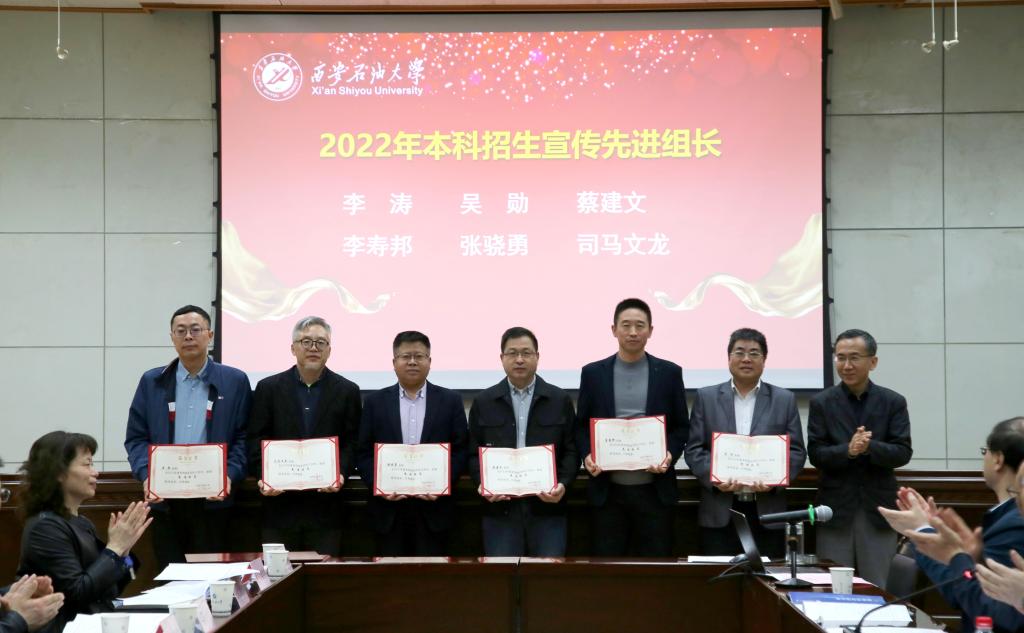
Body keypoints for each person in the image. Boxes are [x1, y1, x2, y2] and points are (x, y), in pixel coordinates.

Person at [124, 305, 252, 567]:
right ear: (172, 337)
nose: (188, 336)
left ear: (210, 335)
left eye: (196, 329)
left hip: (214, 502)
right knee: (170, 576)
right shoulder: (152, 381)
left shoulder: (235, 381)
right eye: (180, 331)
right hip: (165, 502)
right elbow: (136, 438)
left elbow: (244, 438)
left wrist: (229, 475)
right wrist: (147, 475)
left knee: (210, 579)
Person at [883, 418, 1024, 633]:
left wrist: (925, 534)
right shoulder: (1005, 517)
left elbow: (982, 603)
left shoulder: (1013, 524)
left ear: (998, 459)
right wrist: (967, 556)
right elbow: (972, 586)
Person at [576, 297, 688, 557]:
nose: (633, 332)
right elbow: (580, 426)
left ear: (651, 330)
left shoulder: (670, 373)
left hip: (655, 492)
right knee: (607, 568)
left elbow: (682, 427)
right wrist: (587, 455)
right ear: (614, 330)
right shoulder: (593, 374)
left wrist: (669, 455)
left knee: (656, 567)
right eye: (626, 325)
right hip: (607, 493)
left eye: (640, 325)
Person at [684, 328, 806, 559]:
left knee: (767, 576)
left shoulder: (784, 399)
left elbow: (796, 452)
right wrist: (716, 479)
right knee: (721, 575)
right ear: (729, 358)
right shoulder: (706, 397)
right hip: (720, 508)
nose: (746, 359)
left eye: (754, 353)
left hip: (767, 510)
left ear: (764, 360)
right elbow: (694, 449)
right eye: (739, 352)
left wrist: (774, 481)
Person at [246, 316, 361, 556]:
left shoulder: (347, 390)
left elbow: (352, 441)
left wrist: (340, 473)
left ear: (329, 350)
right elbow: (256, 438)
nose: (313, 348)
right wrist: (263, 476)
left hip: (326, 508)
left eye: (321, 342)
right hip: (279, 506)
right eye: (306, 341)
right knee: (278, 576)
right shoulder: (268, 388)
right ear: (293, 348)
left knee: (325, 576)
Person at [807, 328, 913, 586]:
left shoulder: (892, 402)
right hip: (835, 508)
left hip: (878, 508)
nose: (846, 365)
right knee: (834, 587)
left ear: (872, 362)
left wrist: (869, 447)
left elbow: (902, 452)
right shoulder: (822, 402)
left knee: (879, 586)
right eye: (840, 357)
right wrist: (848, 450)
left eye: (854, 357)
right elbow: (816, 454)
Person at [16, 432, 150, 633]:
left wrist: (124, 553)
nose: (95, 473)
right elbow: (77, 595)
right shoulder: (44, 528)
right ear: (58, 472)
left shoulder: (82, 523)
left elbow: (108, 590)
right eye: (87, 464)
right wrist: (114, 548)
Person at [467, 327, 578, 556]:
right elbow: (472, 452)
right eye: (512, 353)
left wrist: (563, 484)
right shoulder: (484, 401)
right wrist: (482, 484)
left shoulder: (559, 400)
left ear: (537, 356)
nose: (519, 359)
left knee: (547, 574)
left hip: (547, 508)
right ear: (502, 358)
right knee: (502, 574)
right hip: (500, 509)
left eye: (526, 353)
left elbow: (571, 450)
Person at [356, 331, 468, 555]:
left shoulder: (451, 401)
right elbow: (363, 452)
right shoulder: (374, 402)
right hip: (388, 511)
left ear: (429, 361)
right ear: (394, 362)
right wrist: (379, 486)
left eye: (419, 356)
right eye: (406, 356)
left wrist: (442, 484)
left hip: (435, 510)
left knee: (432, 575)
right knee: (389, 573)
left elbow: (461, 450)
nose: (412, 362)